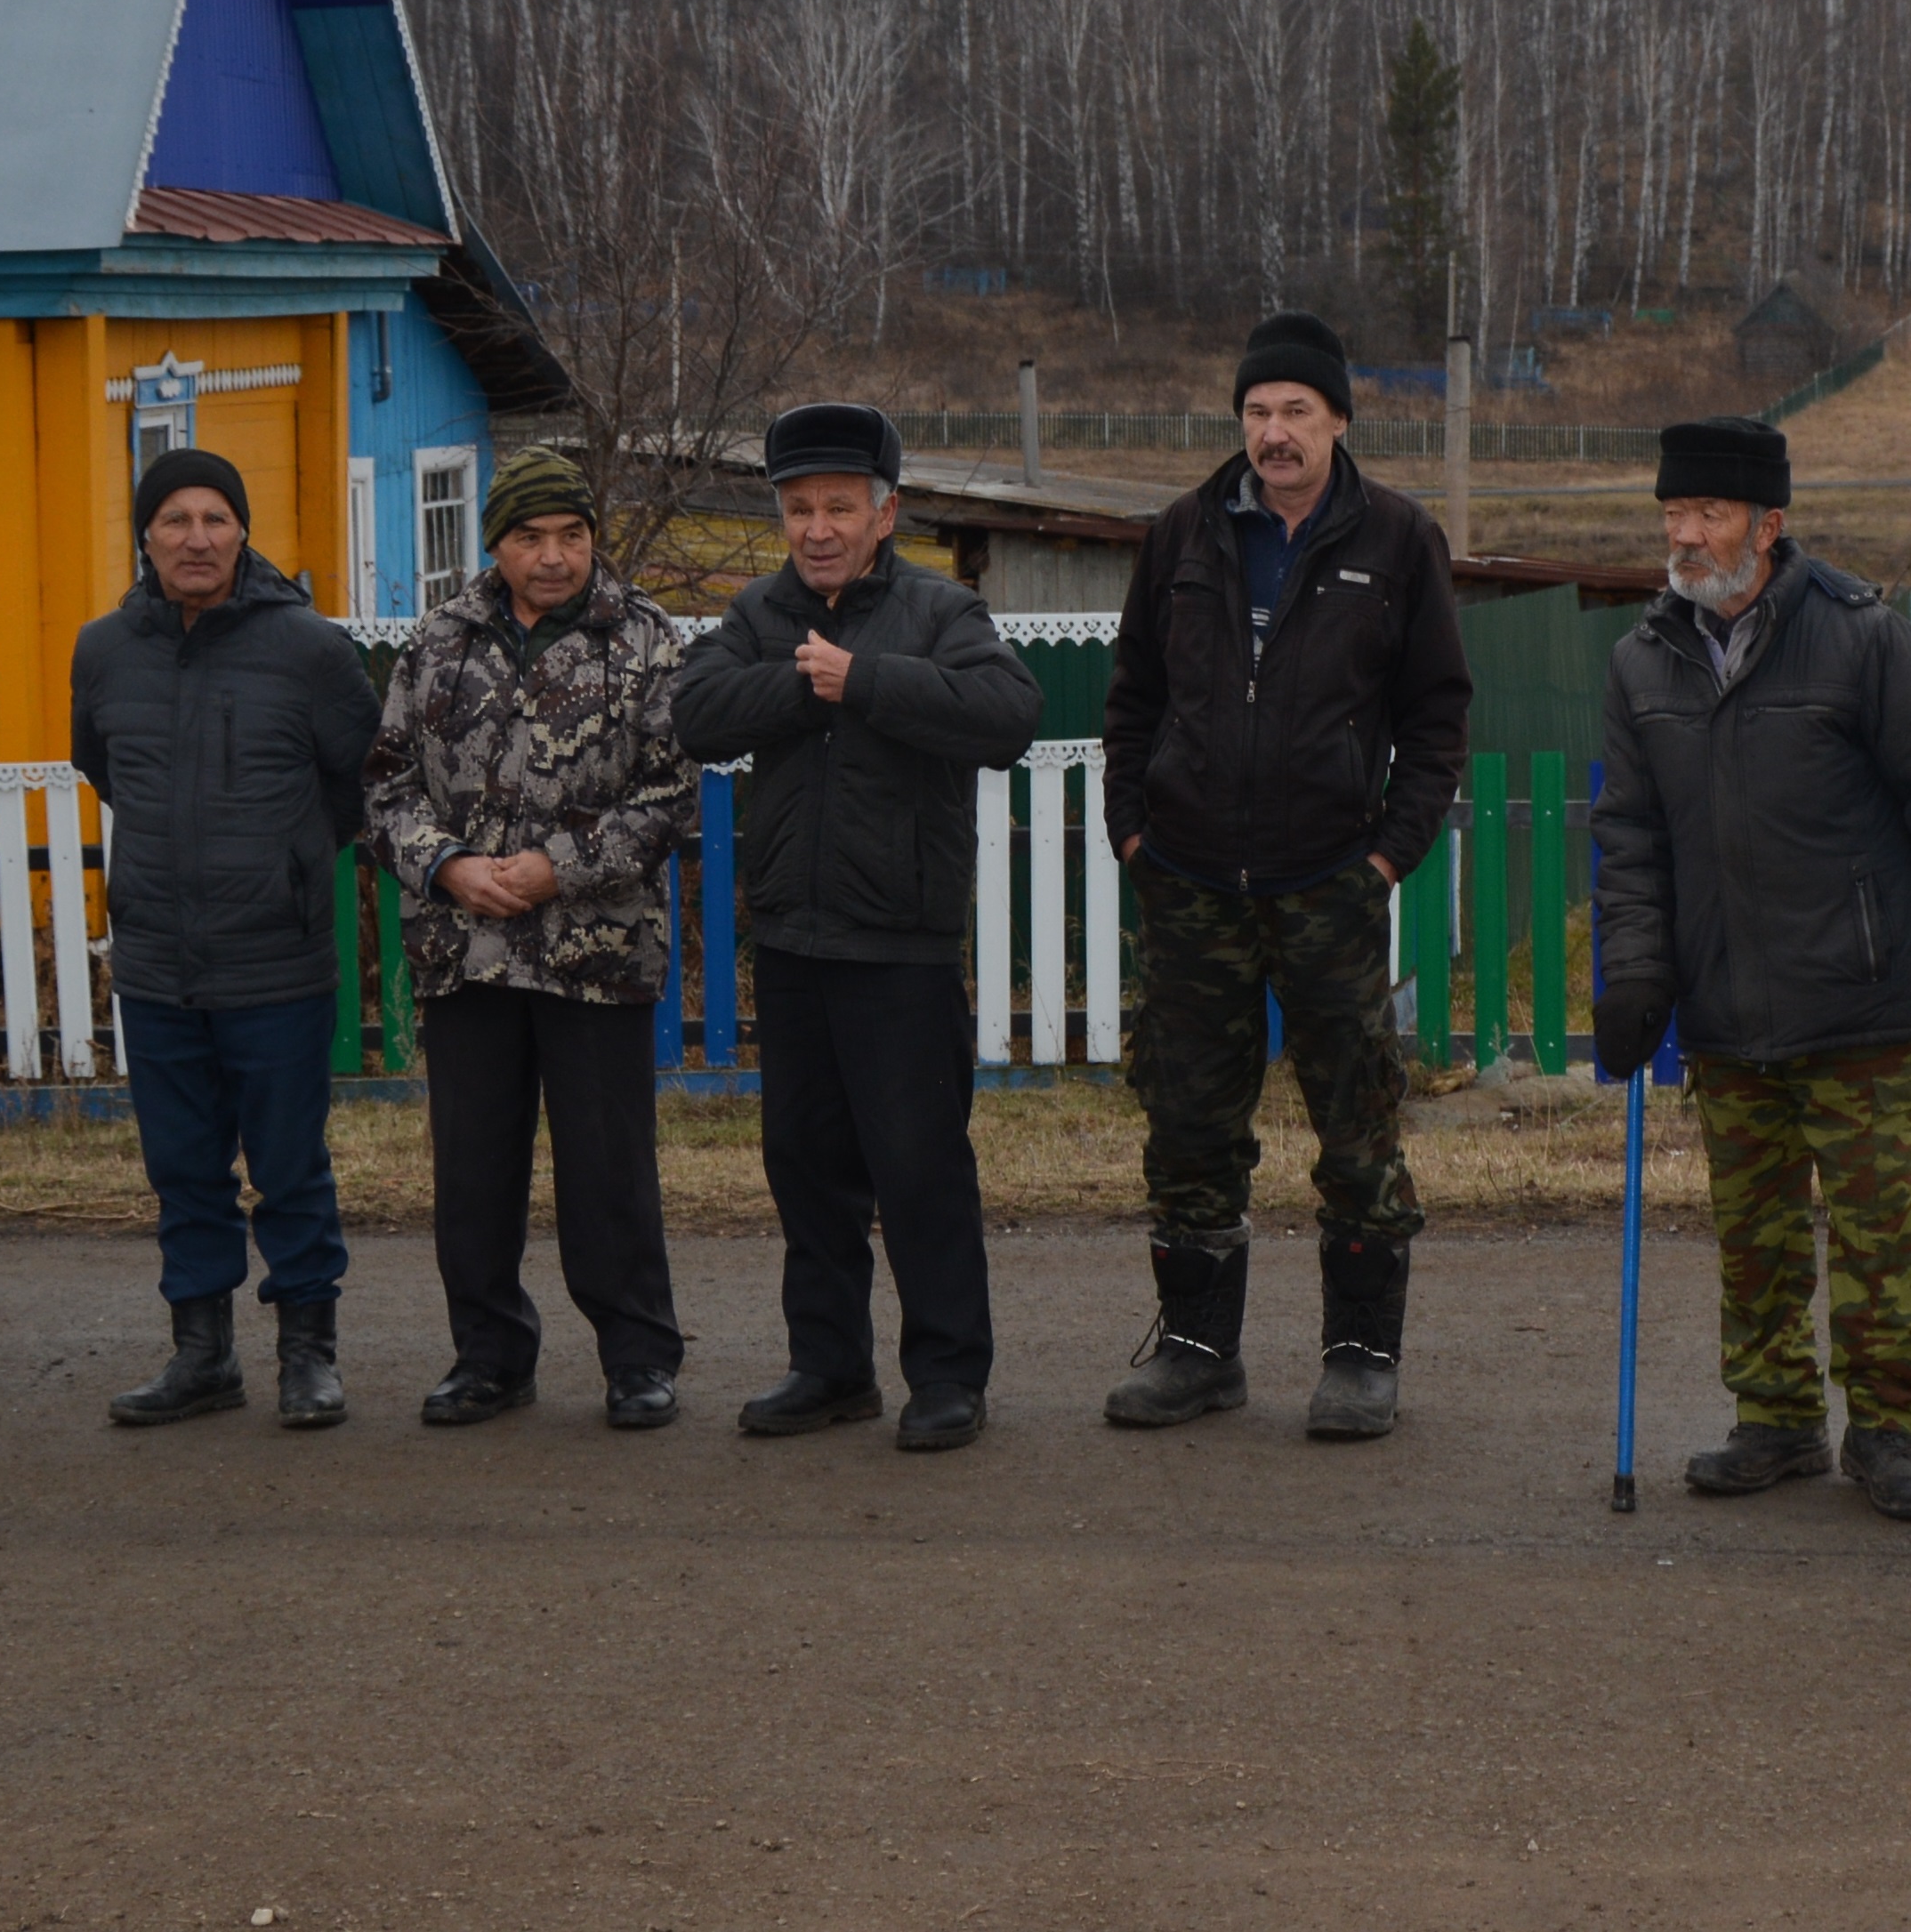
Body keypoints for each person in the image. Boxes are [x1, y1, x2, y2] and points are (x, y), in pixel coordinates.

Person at [1588, 418, 1911, 1521]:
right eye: (1672, 514)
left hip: (1857, 997)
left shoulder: (1863, 639)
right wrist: (1635, 975)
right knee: (1754, 1235)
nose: (1684, 535)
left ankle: (1889, 1426)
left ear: (1769, 525)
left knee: (1881, 1237)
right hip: (1725, 1003)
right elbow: (1630, 837)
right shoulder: (1644, 657)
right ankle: (1773, 1417)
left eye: (1708, 514)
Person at [1097, 310, 1472, 1440]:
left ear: (1340, 420)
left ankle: (1361, 1355)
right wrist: (1131, 830)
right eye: (1258, 413)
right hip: (1191, 880)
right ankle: (1200, 1351)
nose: (1275, 434)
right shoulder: (1181, 534)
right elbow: (1131, 700)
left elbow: (1437, 716)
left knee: (1356, 1122)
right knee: (1187, 1122)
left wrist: (1386, 853)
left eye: (1296, 413)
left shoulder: (1399, 540)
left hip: (1327, 883)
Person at [676, 404, 1043, 1452]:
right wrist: (809, 684)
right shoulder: (760, 614)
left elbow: (1007, 716)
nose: (819, 526)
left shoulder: (941, 612)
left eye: (841, 506)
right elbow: (697, 713)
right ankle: (830, 1366)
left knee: (920, 1166)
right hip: (793, 940)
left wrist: (865, 678)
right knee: (805, 1166)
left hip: (902, 946)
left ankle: (947, 1375)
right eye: (800, 508)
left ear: (887, 513)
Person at [363, 449, 697, 1430]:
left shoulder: (644, 639)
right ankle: (490, 1355)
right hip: (464, 951)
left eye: (572, 535)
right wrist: (446, 864)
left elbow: (671, 792)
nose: (553, 556)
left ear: (594, 539)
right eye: (530, 537)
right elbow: (383, 785)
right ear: (495, 544)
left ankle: (639, 1357)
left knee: (608, 1169)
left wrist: (560, 864)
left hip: (596, 951)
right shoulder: (438, 642)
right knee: (472, 1170)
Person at [73, 449, 383, 1428]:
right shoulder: (103, 649)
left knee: (289, 1164)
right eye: (175, 519)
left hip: (275, 959)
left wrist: (281, 860)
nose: (196, 537)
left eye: (215, 517)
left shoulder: (310, 650)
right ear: (146, 536)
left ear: (244, 532)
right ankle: (201, 1354)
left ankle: (308, 1351)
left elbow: (357, 782)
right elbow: (105, 765)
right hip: (159, 958)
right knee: (182, 1167)